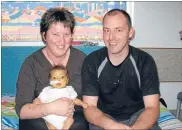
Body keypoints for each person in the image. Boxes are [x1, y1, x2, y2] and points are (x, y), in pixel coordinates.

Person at [82, 9, 161, 130]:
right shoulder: (92, 61)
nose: (111, 37)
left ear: (130, 32)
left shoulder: (145, 61)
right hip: (104, 119)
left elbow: (152, 108)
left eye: (118, 30)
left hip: (139, 117)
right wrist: (112, 126)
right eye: (107, 30)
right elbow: (90, 107)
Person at [15, 7, 88, 130]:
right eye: (55, 34)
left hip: (73, 117)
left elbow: (91, 102)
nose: (62, 41)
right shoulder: (31, 63)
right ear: (44, 35)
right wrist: (50, 108)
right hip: (40, 117)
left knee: (79, 125)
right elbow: (22, 111)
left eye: (66, 34)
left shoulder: (82, 60)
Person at [33, 65, 87, 130]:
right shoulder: (47, 90)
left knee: (70, 120)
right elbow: (39, 99)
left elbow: (75, 99)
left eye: (62, 77)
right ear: (50, 81)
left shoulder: (69, 89)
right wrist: (36, 102)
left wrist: (82, 103)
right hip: (50, 117)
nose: (58, 80)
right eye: (54, 78)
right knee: (49, 124)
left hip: (66, 117)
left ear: (67, 80)